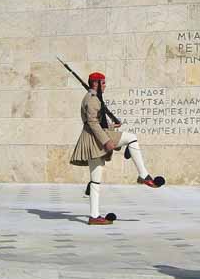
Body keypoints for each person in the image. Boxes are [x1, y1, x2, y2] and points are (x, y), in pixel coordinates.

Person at [69, 71, 162, 225]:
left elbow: (97, 122)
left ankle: (94, 216)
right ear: (95, 84)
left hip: (92, 138)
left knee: (95, 181)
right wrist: (106, 141)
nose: (105, 86)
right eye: (103, 83)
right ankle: (144, 175)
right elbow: (92, 123)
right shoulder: (92, 99)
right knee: (131, 138)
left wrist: (112, 126)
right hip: (97, 138)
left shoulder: (92, 98)